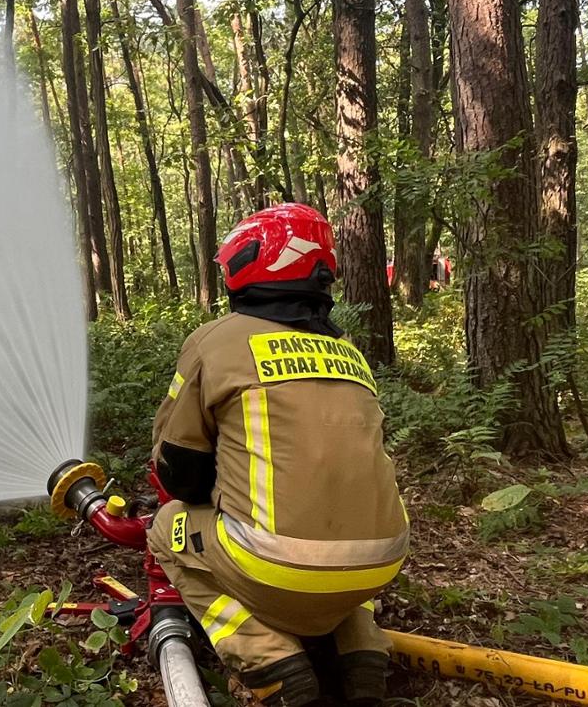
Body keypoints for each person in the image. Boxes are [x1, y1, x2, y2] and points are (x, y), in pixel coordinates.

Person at [147, 203, 409, 706]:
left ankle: (269, 661)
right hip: (381, 563)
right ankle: (364, 660)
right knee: (334, 558)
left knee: (166, 530)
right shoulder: (349, 353)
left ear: (250, 263)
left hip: (274, 566)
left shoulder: (216, 341)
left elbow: (180, 471)